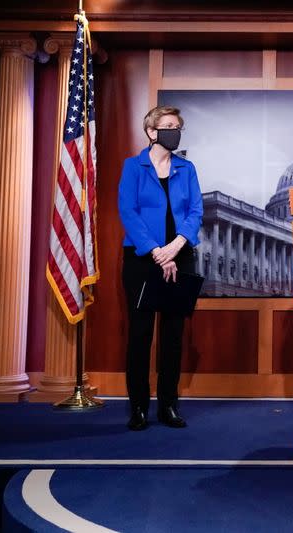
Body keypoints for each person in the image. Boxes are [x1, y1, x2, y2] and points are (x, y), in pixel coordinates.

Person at [118, 105, 203, 431]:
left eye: (178, 126)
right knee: (140, 334)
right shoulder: (133, 167)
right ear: (152, 131)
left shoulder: (187, 168)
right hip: (143, 259)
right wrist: (156, 252)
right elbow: (128, 211)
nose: (175, 131)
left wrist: (175, 247)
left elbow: (195, 211)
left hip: (180, 256)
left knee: (173, 336)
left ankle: (168, 405)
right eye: (168, 126)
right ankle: (138, 407)